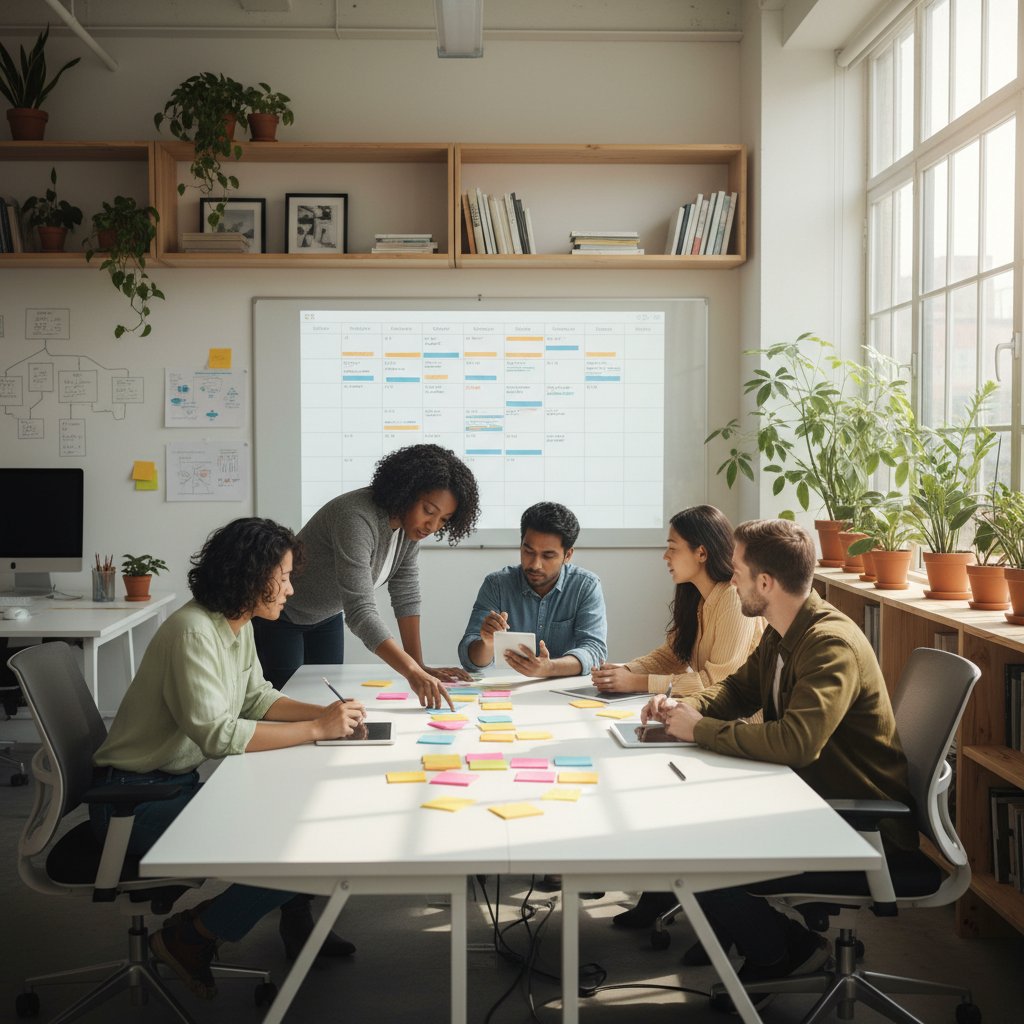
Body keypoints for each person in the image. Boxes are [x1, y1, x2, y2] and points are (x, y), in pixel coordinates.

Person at [641, 518, 917, 1007]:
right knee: (685, 827)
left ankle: (779, 953)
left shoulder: (829, 644)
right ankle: (780, 946)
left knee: (697, 854)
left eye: (739, 571)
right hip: (811, 800)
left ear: (764, 583)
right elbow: (737, 690)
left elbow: (796, 743)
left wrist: (699, 731)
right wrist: (686, 711)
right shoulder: (783, 629)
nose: (731, 579)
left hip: (859, 825)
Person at [90, 518, 366, 1000]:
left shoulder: (232, 626)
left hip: (172, 786)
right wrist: (317, 730)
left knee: (299, 838)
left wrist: (324, 713)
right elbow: (217, 734)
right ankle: (191, 936)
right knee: (297, 853)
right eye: (282, 577)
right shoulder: (193, 632)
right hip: (130, 804)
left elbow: (255, 698)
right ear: (250, 575)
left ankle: (193, 933)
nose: (290, 588)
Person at [590, 505, 763, 931]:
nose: (665, 556)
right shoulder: (696, 596)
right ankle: (659, 896)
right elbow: (672, 653)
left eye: (672, 547)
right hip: (706, 717)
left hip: (740, 728)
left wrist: (639, 684)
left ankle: (698, 910)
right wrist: (625, 672)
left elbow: (716, 678)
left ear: (701, 552)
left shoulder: (729, 599)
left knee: (661, 785)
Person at [253, 443, 481, 707]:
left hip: (325, 618)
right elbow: (360, 610)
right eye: (428, 511)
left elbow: (405, 593)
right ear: (406, 491)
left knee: (323, 703)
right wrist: (410, 671)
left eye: (443, 519)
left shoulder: (409, 529)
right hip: (281, 616)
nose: (432, 525)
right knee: (285, 705)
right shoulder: (355, 517)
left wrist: (419, 665)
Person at [458, 501, 607, 678]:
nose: (535, 564)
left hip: (564, 689)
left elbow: (594, 651)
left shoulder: (586, 585)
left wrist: (550, 668)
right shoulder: (496, 585)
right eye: (528, 551)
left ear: (567, 555)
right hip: (507, 689)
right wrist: (488, 644)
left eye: (548, 556)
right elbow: (470, 660)